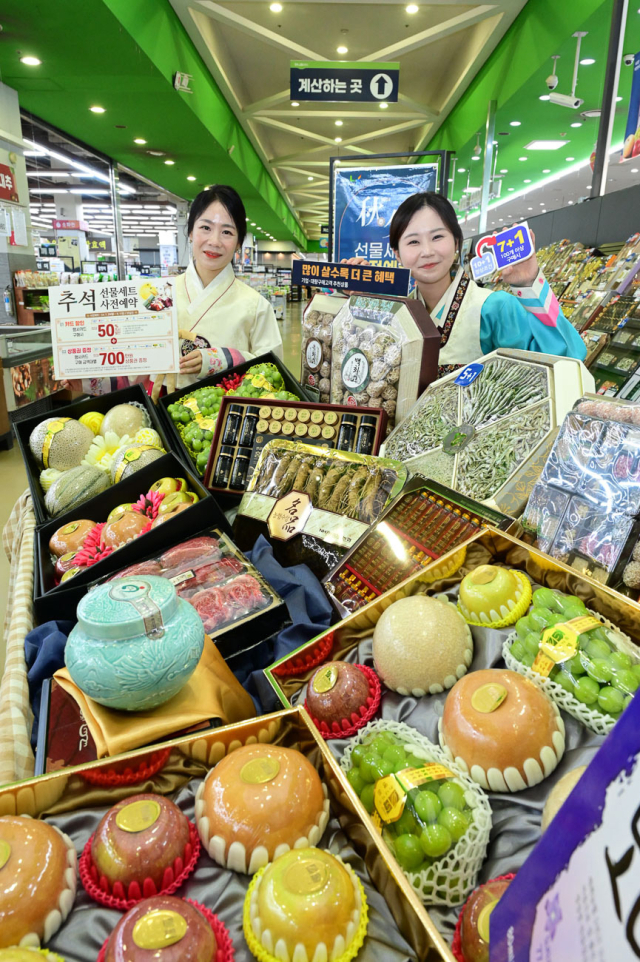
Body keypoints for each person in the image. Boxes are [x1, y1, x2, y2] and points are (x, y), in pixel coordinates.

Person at [353, 192, 586, 378]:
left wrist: (528, 282)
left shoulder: (493, 307)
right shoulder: (397, 316)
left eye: (437, 237)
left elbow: (565, 361)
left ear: (456, 242)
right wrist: (356, 303)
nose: (427, 251)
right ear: (397, 254)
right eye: (413, 242)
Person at [150, 185, 282, 399]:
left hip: (224, 417)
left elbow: (273, 371)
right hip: (161, 406)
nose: (214, 241)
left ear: (239, 242)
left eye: (227, 232)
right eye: (206, 228)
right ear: (191, 231)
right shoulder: (160, 295)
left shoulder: (255, 305)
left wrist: (220, 359)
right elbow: (133, 364)